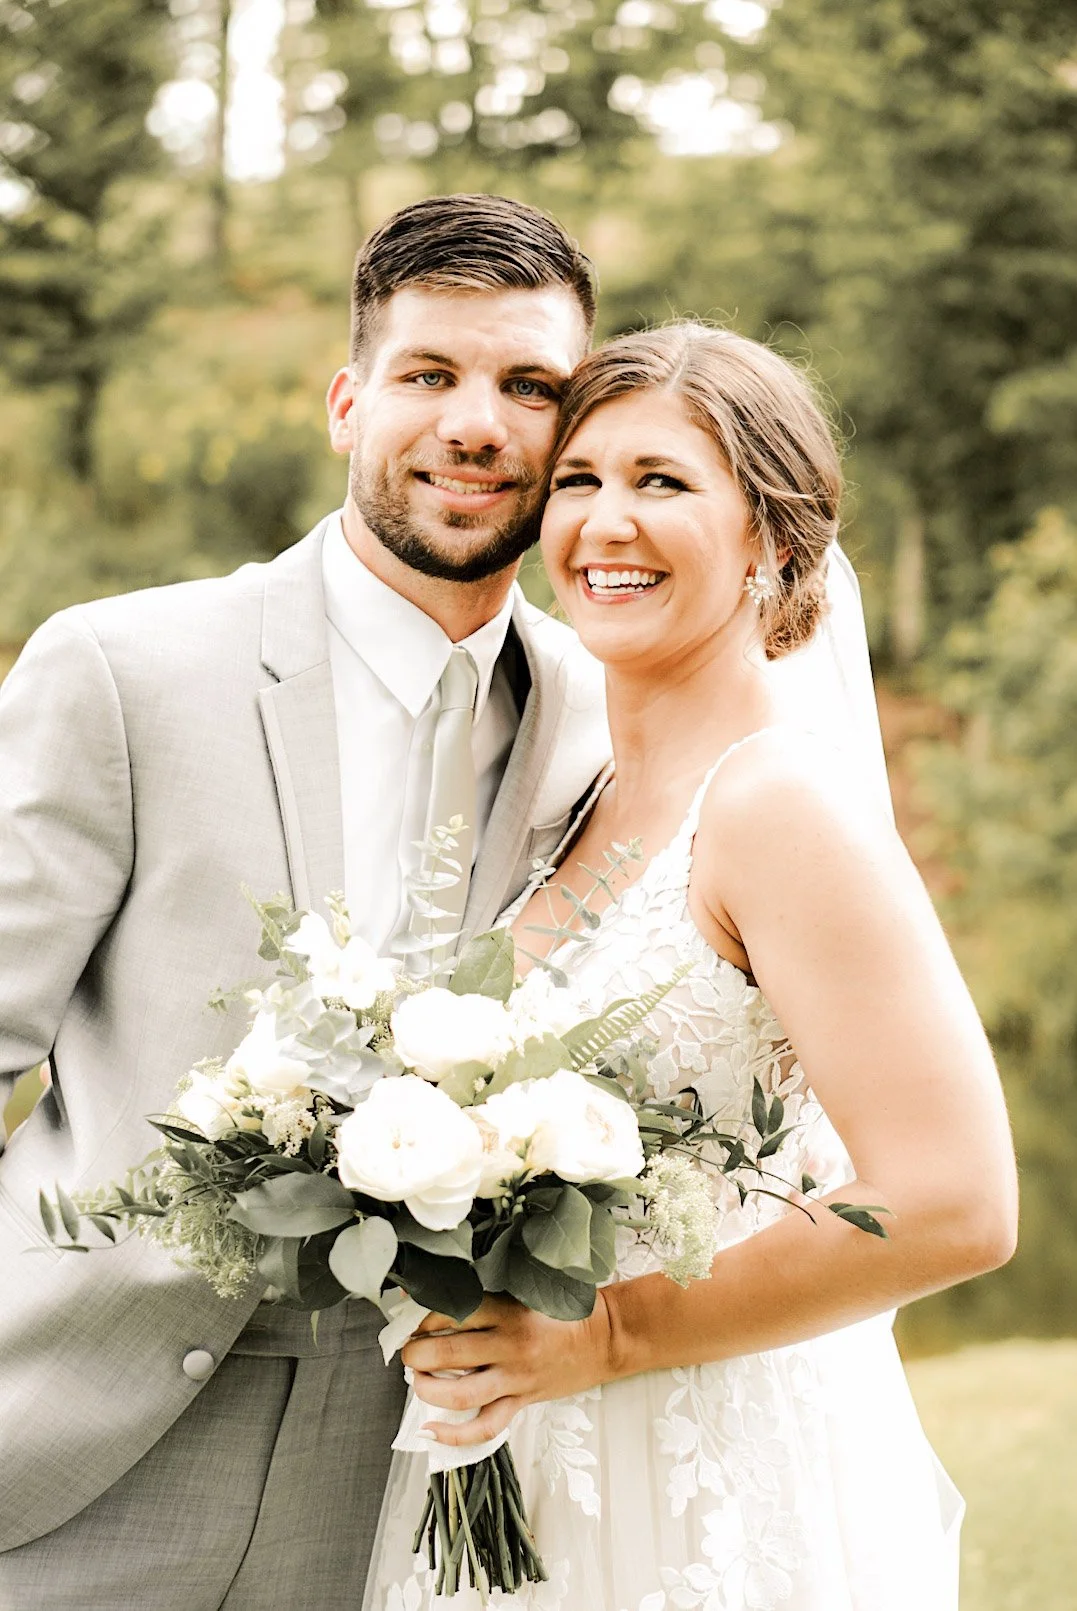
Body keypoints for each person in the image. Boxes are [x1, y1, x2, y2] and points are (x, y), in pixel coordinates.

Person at [0, 193, 610, 1608]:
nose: (479, 423)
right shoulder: (121, 669)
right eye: (429, 375)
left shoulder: (606, 708)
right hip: (78, 1433)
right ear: (347, 401)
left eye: (531, 387)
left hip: (438, 1475)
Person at [364, 324, 1019, 1611]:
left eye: (664, 482)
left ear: (774, 538)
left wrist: (609, 1332)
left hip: (705, 1467)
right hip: (532, 1451)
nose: (608, 521)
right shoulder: (574, 802)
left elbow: (955, 1203)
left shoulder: (778, 805)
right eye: (580, 481)